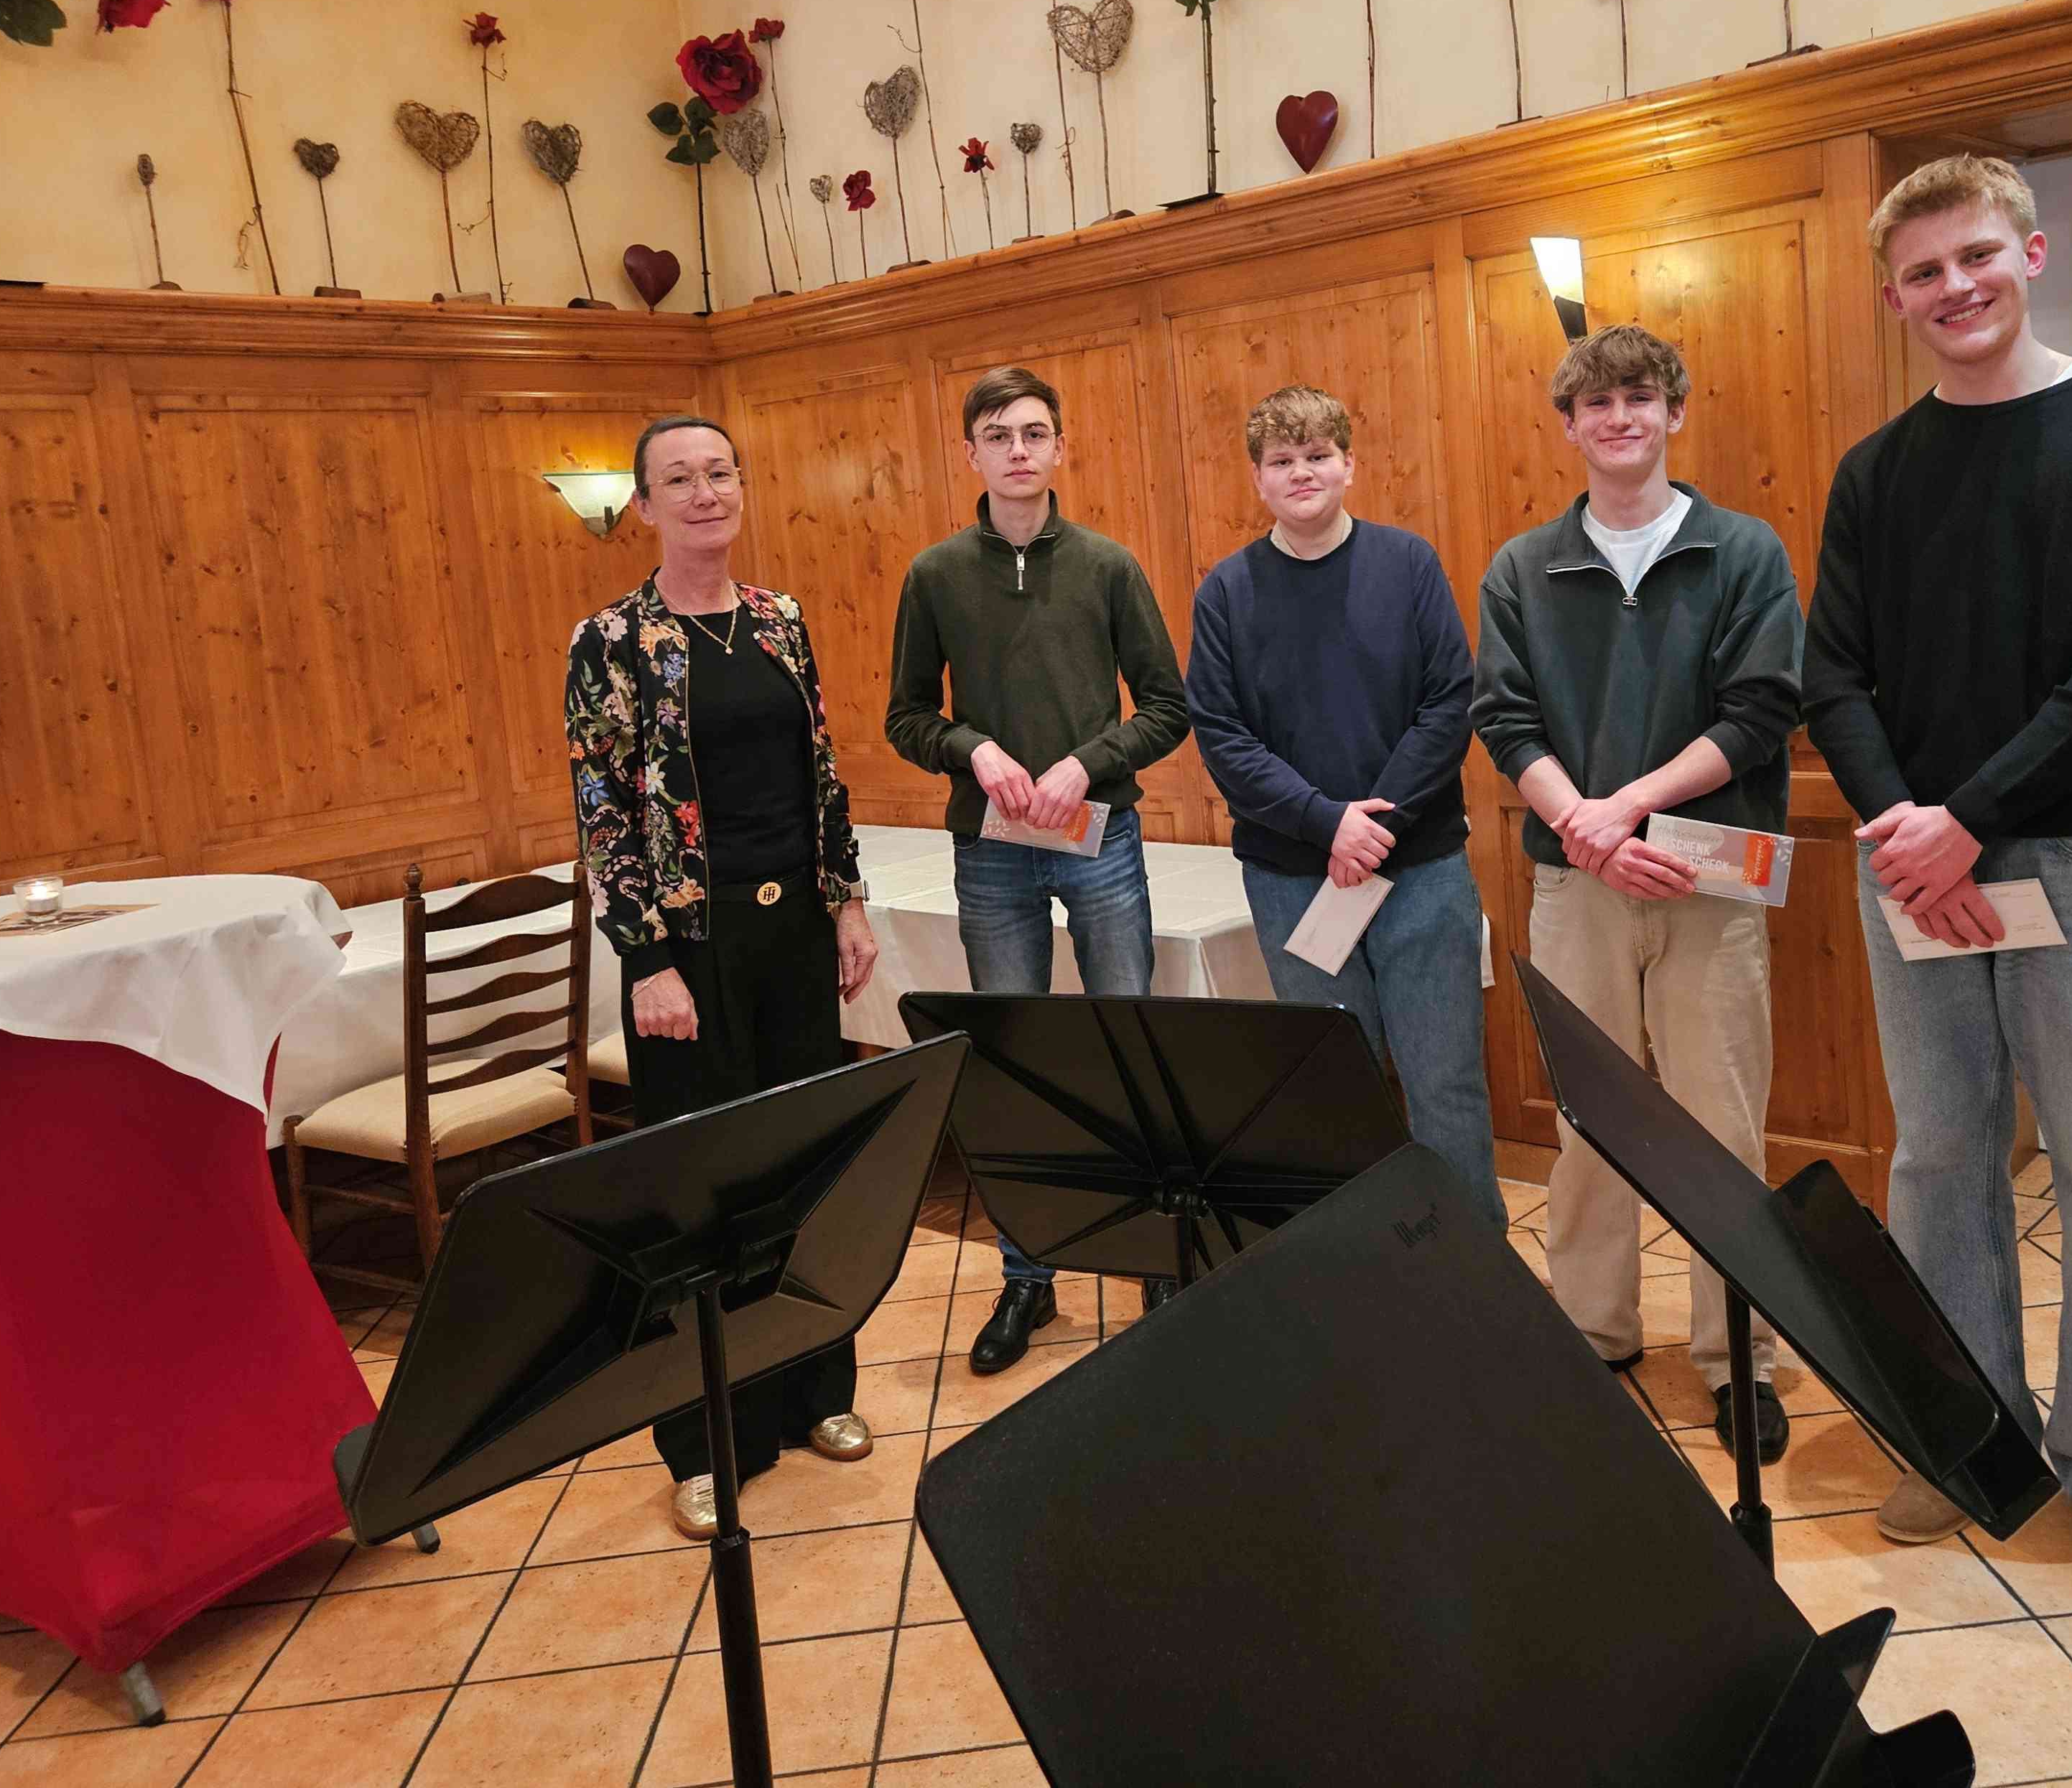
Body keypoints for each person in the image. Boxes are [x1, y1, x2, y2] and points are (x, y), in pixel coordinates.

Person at [1802, 154, 2072, 1609]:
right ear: (1892, 297)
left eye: (1975, 256)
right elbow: (1831, 676)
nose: (1953, 287)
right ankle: (1965, 1434)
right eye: (1923, 272)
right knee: (1939, 1161)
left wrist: (1965, 819)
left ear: (2029, 254)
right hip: (1913, 865)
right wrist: (1910, 829)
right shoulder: (1875, 472)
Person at [1472, 323, 1803, 1459]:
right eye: (1596, 403)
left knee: (1723, 1130)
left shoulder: (1743, 551)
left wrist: (1629, 812)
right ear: (1569, 427)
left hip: (1710, 874)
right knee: (1588, 1125)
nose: (1619, 418)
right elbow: (1505, 721)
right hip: (1579, 883)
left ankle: (1740, 1359)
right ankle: (1593, 1335)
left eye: (1639, 398)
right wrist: (1589, 828)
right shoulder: (1522, 568)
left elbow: (1761, 710)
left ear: (1674, 413)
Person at [566, 414, 883, 1542]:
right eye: (679, 479)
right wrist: (646, 959)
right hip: (686, 954)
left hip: (791, 933)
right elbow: (604, 813)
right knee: (697, 1194)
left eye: (719, 473)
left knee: (804, 1172)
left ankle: (814, 1390)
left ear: (742, 488)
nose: (704, 493)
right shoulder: (611, 640)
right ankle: (705, 1440)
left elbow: (821, 771)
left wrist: (846, 899)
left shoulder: (780, 620)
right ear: (644, 506)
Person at [887, 365, 1190, 1373]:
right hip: (991, 854)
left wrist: (1085, 764)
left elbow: (1167, 707)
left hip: (1100, 839)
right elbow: (905, 716)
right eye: (997, 435)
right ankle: (1028, 1277)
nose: (1017, 450)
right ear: (969, 454)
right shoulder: (935, 575)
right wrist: (970, 748)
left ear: (1060, 447)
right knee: (1010, 1062)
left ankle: (1154, 1256)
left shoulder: (1109, 566)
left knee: (1127, 1046)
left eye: (1033, 433)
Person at [1186, 386, 1505, 1233]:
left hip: (1422, 869)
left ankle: (1473, 1266)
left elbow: (1448, 702)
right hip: (1293, 879)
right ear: (1257, 479)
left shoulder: (1408, 564)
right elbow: (1221, 736)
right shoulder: (1226, 592)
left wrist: (1374, 829)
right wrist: (1327, 823)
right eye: (1282, 460)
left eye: (1318, 455)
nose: (1302, 472)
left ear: (1349, 465)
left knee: (1445, 1082)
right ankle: (1366, 1266)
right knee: (1339, 1090)